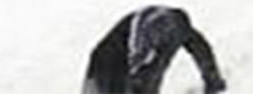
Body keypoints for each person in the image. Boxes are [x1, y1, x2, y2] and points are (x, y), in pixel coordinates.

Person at [83, 6, 226, 94]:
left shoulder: (175, 27)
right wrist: (213, 80)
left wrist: (213, 80)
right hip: (109, 58)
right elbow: (145, 72)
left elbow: (201, 49)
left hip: (108, 55)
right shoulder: (169, 28)